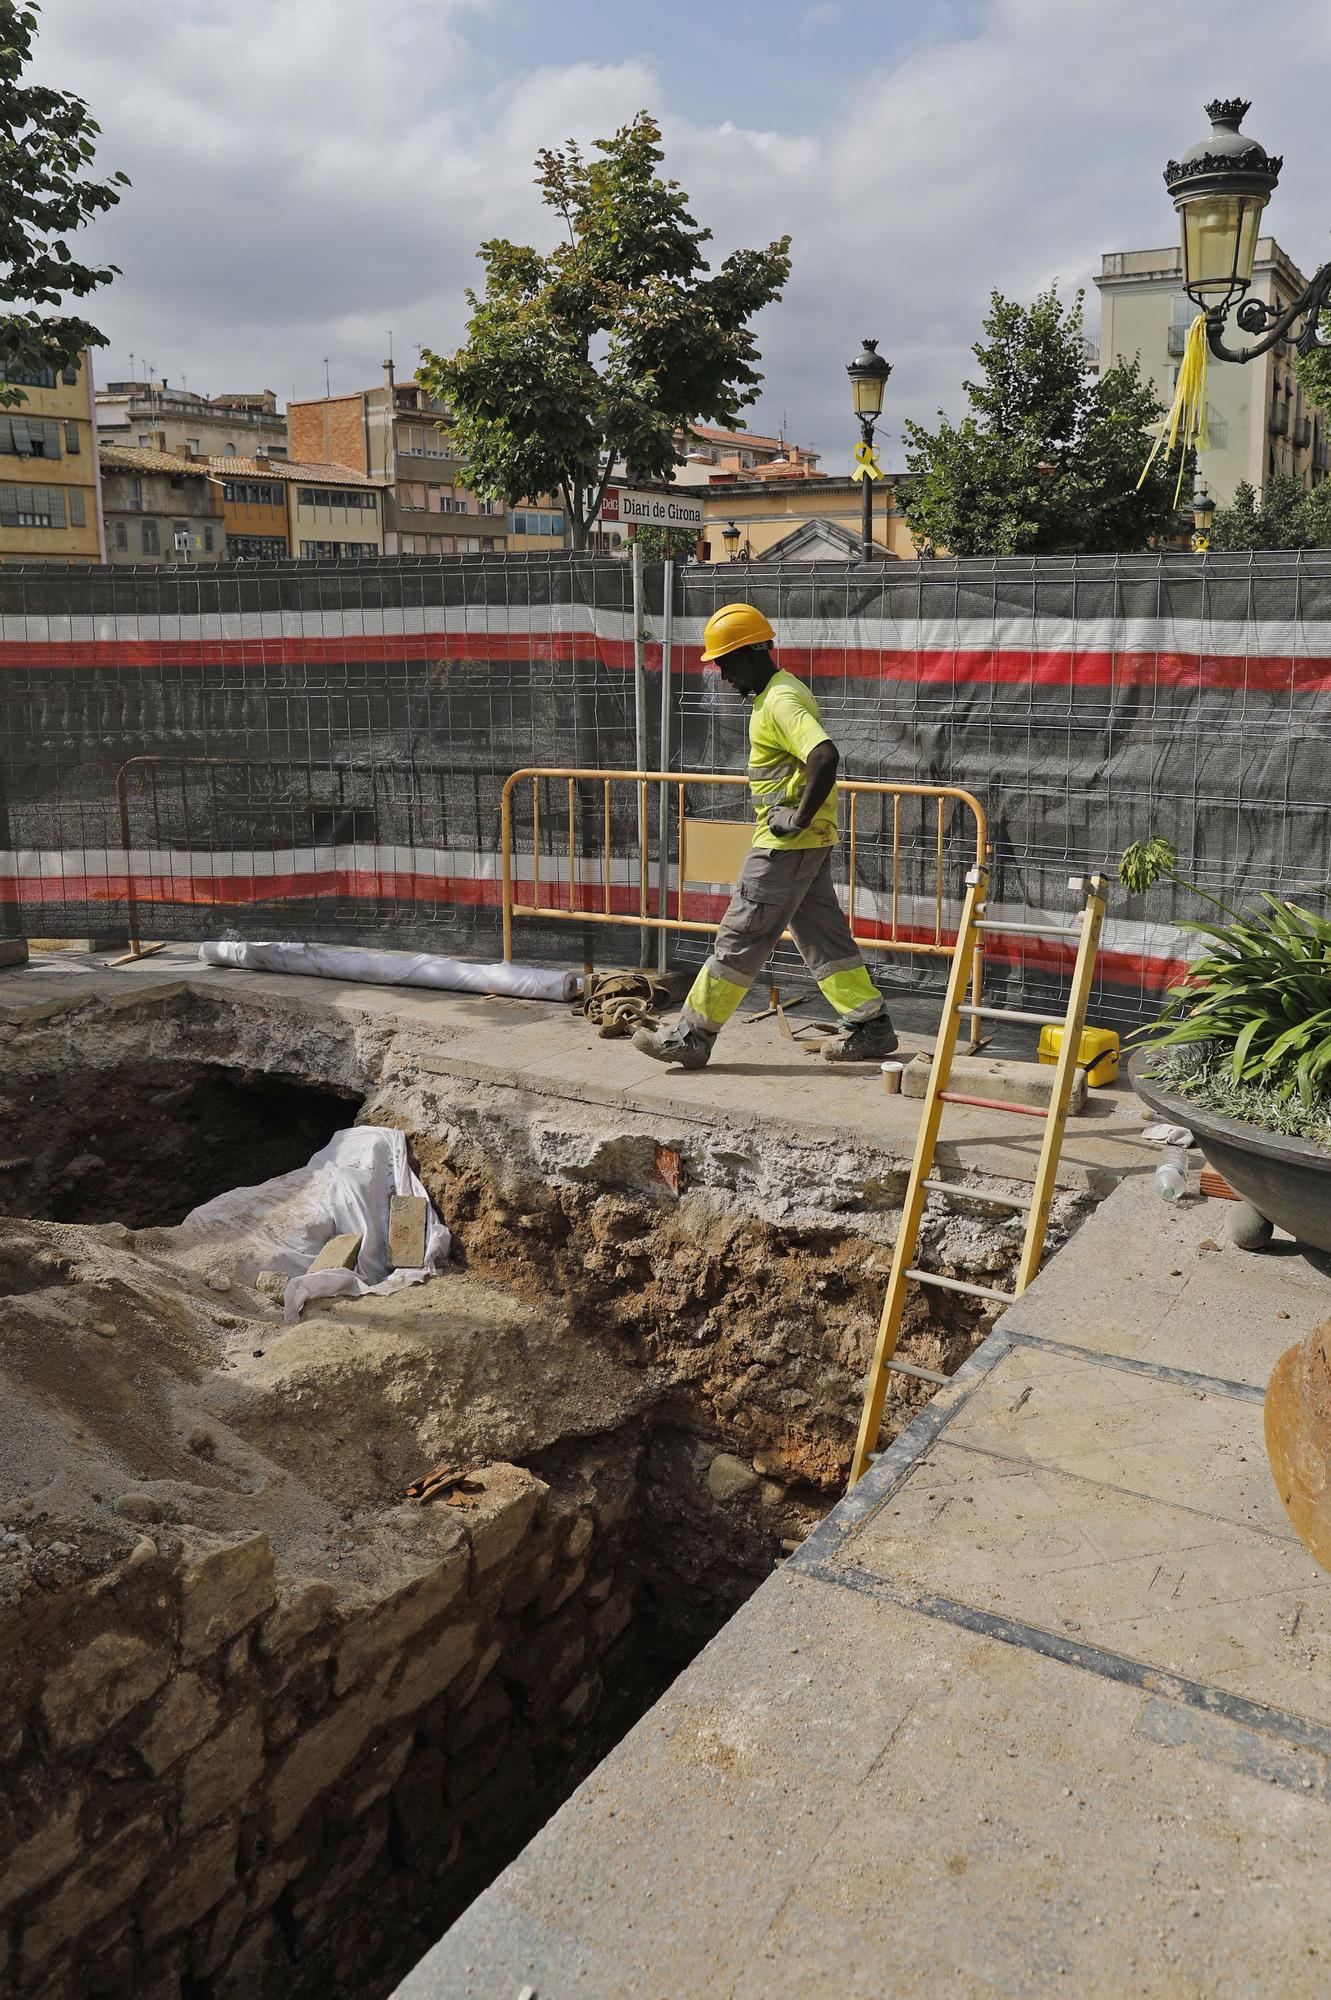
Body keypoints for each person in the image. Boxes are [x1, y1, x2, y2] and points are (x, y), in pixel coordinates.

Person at [633, 601, 898, 1071]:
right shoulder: (780, 691)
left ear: (752, 653)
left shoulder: (779, 700)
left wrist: (795, 818)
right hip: (806, 845)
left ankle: (692, 1036)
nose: (722, 676)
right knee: (823, 938)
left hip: (785, 846)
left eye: (726, 663)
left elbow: (825, 756)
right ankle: (870, 1026)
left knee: (741, 935)